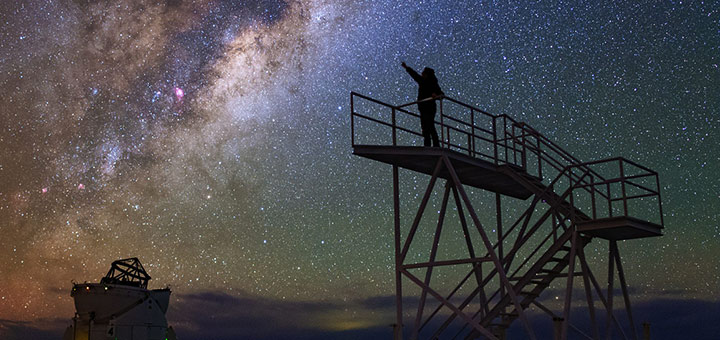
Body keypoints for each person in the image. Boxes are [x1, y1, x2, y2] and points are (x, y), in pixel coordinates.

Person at [401, 62, 444, 147]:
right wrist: (406, 67)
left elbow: (442, 95)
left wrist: (436, 95)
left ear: (427, 74)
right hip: (424, 107)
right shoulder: (424, 81)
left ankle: (433, 145)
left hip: (429, 107)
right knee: (426, 127)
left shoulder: (431, 83)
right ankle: (430, 144)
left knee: (429, 126)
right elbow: (414, 75)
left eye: (423, 73)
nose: (422, 74)